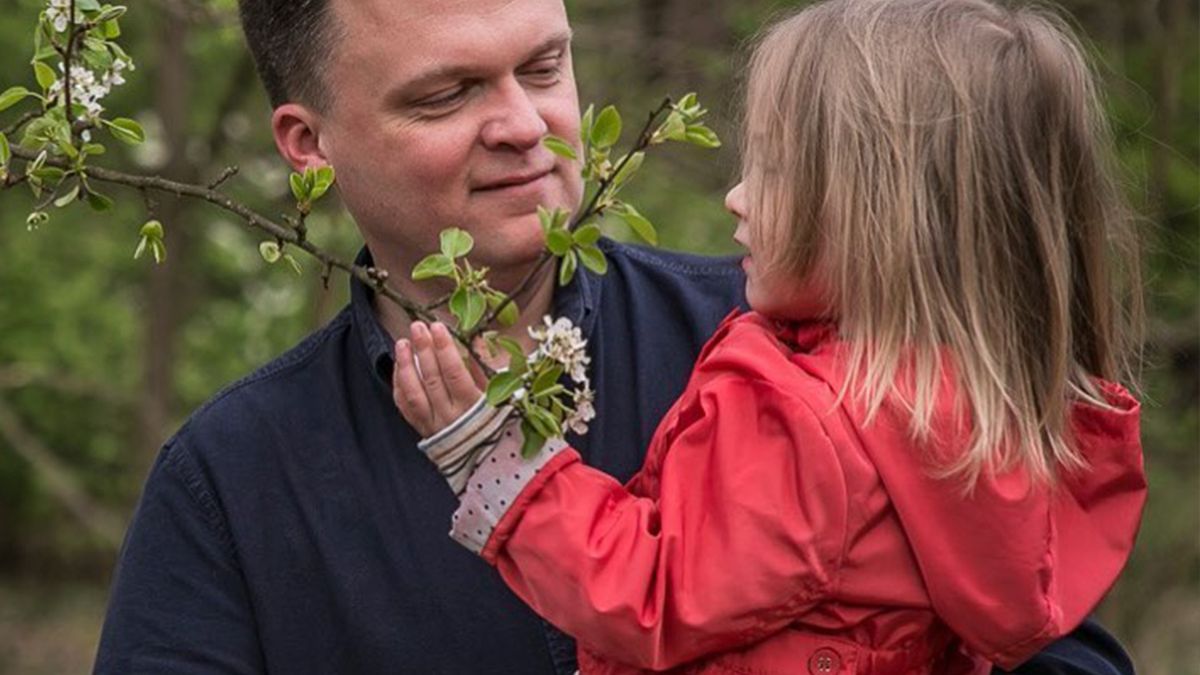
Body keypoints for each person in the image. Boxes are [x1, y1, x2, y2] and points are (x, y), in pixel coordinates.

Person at [94, 0, 1139, 673]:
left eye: (543, 69)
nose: (522, 124)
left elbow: (1046, 631)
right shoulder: (229, 483)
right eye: (449, 93)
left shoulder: (818, 349)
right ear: (308, 147)